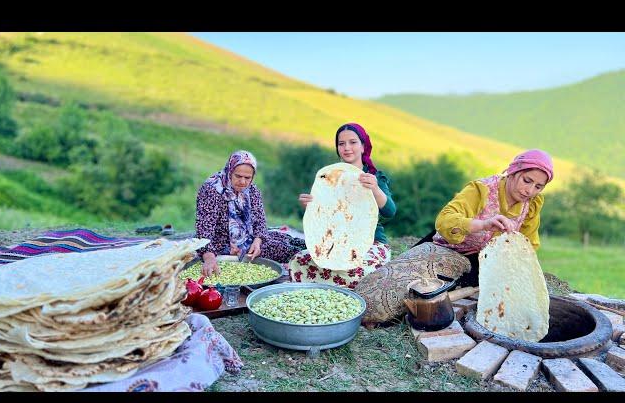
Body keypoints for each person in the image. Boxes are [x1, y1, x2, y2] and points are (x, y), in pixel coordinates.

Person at [355, 148, 555, 325]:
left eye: (538, 186)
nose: (530, 190)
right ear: (513, 172)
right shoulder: (481, 190)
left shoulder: (533, 204)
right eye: (527, 181)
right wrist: (483, 224)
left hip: (485, 262)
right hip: (449, 247)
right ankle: (363, 310)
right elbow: (444, 220)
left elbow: (529, 243)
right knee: (385, 293)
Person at [288, 122, 396, 289]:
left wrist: (374, 188)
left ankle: (327, 287)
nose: (347, 148)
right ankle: (332, 289)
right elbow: (327, 216)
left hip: (371, 243)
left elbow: (390, 211)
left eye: (353, 142)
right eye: (341, 143)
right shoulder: (329, 176)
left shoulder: (374, 177)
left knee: (358, 272)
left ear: (363, 146)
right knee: (297, 262)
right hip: (335, 243)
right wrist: (311, 207)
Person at [196, 150, 306, 277]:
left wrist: (257, 242)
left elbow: (260, 221)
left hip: (249, 239)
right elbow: (204, 229)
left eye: (247, 178)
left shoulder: (252, 190)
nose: (242, 182)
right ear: (229, 171)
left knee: (290, 240)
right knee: (290, 251)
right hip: (223, 245)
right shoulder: (212, 190)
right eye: (238, 176)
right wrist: (209, 258)